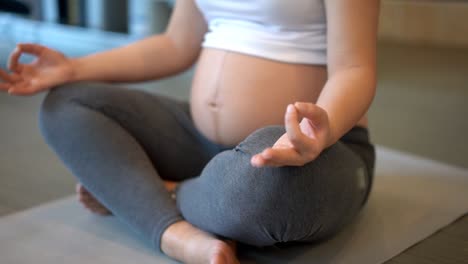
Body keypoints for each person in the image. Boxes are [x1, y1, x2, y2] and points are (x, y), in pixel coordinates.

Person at [0, 0, 379, 263]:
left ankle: (156, 193)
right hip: (203, 144)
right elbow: (176, 44)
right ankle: (177, 234)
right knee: (67, 104)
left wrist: (317, 133)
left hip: (310, 152)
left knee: (267, 187)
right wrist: (74, 69)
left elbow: (354, 69)